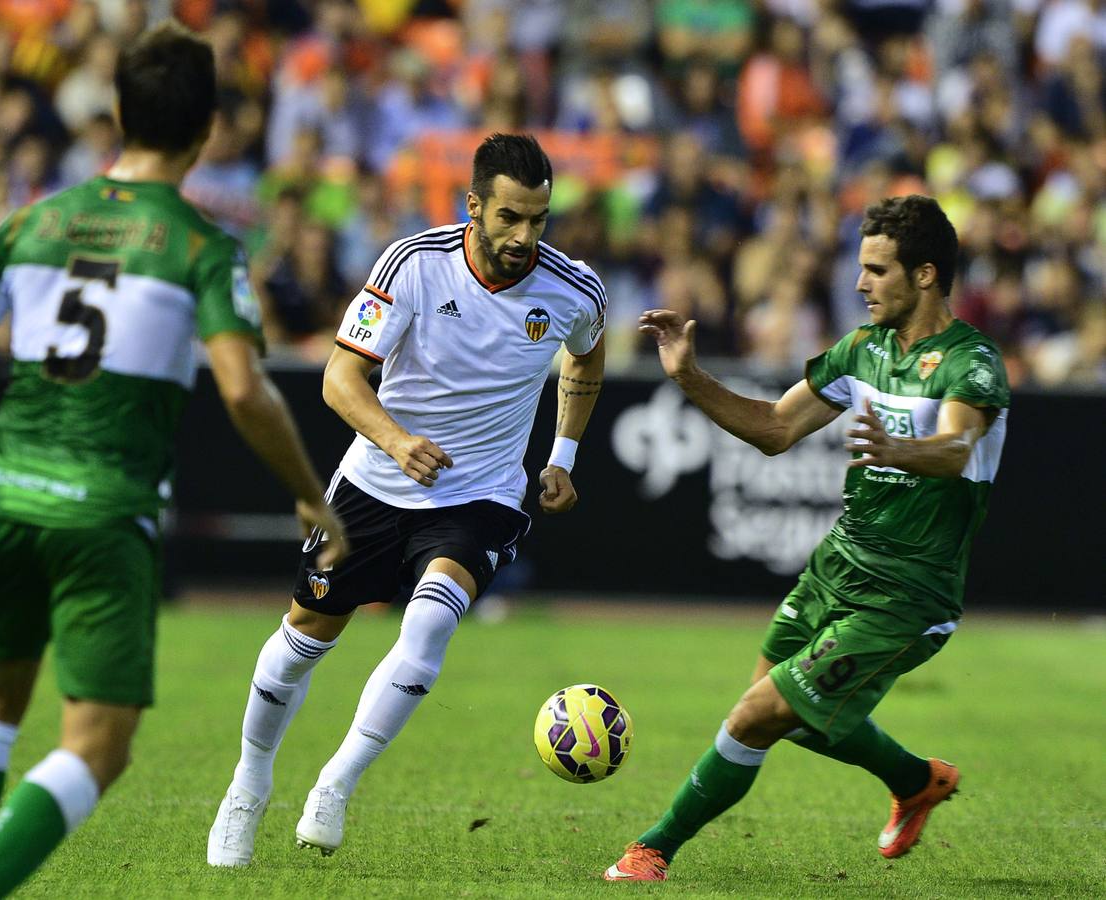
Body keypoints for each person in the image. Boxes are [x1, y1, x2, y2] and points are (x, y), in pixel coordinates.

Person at [0, 23, 346, 900]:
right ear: (209, 131)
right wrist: (311, 497)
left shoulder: (33, 221)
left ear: (116, 112)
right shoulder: (199, 246)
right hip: (104, 509)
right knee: (99, 745)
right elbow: (243, 391)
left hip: (10, 494)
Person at [207, 132, 608, 865]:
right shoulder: (414, 264)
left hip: (481, 491)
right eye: (511, 217)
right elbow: (338, 378)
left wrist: (563, 454)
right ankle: (249, 783)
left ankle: (336, 782)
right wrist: (395, 442)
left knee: (429, 627)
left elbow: (587, 349)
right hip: (377, 483)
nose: (525, 236)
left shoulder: (573, 288)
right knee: (304, 640)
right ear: (474, 205)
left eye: (540, 219)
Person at [605, 195, 1010, 881]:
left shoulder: (973, 361)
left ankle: (652, 849)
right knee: (782, 709)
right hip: (839, 563)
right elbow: (773, 429)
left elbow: (954, 448)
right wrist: (688, 376)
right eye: (862, 268)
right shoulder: (861, 351)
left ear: (926, 276)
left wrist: (897, 450)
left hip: (911, 593)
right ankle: (915, 781)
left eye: (878, 271)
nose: (860, 284)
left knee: (756, 714)